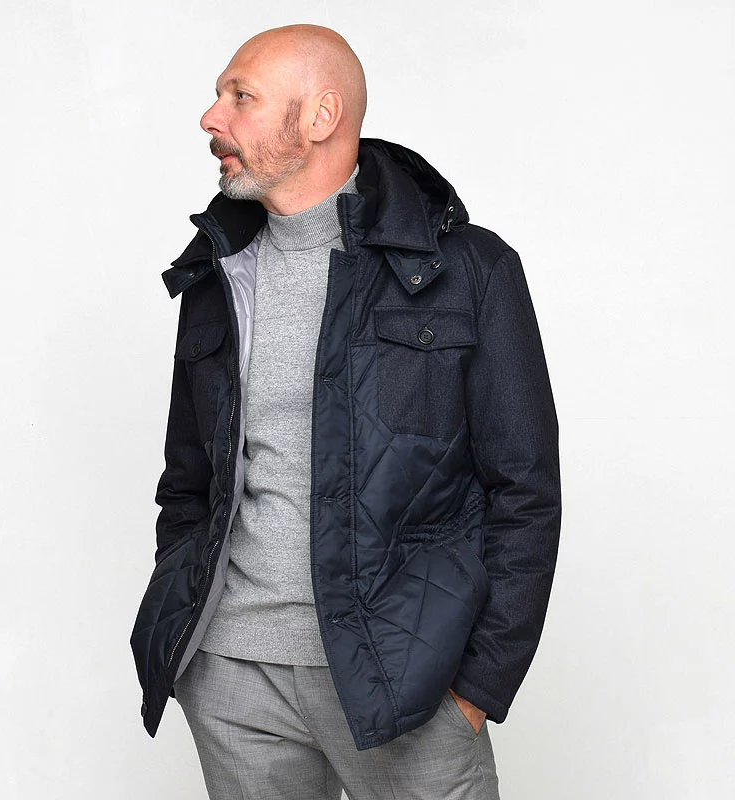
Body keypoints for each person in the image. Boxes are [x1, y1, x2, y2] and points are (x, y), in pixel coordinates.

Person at [130, 23, 561, 800]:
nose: (211, 118)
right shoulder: (217, 275)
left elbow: (525, 491)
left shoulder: (469, 270)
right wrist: (198, 652)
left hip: (407, 679)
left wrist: (478, 688)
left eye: (241, 97)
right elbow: (189, 480)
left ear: (321, 115)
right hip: (234, 678)